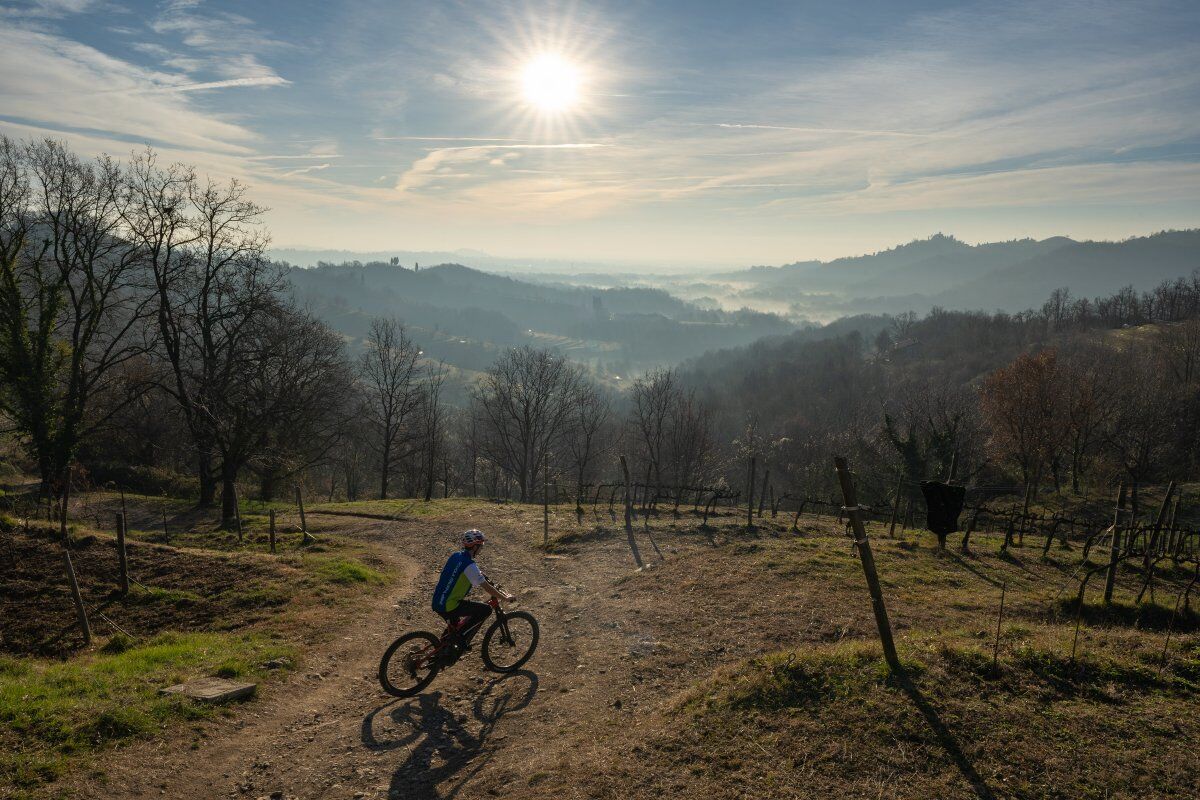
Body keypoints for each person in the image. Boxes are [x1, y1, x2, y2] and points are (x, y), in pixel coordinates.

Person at [431, 529, 514, 660]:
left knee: (455, 627)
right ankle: (462, 640)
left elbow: (473, 573)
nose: (481, 549)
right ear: (475, 547)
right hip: (449, 604)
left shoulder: (456, 556)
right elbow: (486, 587)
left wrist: (482, 575)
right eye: (480, 546)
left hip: (438, 600)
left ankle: (442, 651)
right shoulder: (470, 565)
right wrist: (504, 597)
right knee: (485, 610)